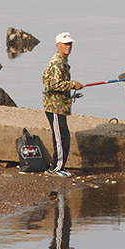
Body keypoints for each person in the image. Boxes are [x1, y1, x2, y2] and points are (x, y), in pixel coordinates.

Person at [42, 32, 83, 177]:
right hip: (54, 107)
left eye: (70, 44)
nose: (68, 47)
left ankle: (60, 167)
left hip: (60, 106)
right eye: (65, 44)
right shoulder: (57, 62)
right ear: (58, 46)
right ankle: (55, 169)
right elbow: (53, 84)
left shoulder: (63, 61)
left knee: (64, 136)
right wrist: (73, 84)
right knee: (60, 138)